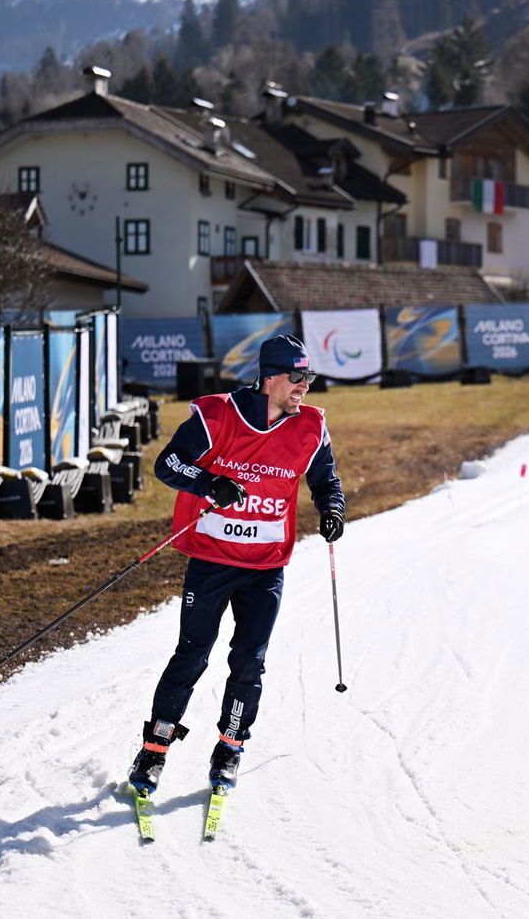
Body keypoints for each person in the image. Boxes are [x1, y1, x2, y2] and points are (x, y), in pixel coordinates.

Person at [128, 334, 345, 795]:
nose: (304, 387)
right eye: (297, 378)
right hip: (212, 560)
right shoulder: (218, 415)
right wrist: (211, 485)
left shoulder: (310, 427)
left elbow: (327, 480)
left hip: (266, 567)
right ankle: (154, 750)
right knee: (192, 655)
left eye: (309, 377)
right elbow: (168, 464)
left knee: (249, 663)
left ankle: (230, 748)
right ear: (269, 379)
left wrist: (332, 509)